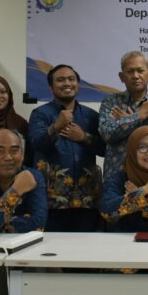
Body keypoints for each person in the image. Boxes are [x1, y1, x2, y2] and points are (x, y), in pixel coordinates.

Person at [28, 64, 106, 232]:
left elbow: (104, 149)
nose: (67, 83)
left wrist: (84, 137)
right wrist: (56, 126)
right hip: (52, 200)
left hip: (86, 199)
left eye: (71, 79)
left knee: (87, 244)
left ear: (78, 84)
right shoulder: (40, 114)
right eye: (60, 80)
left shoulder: (91, 116)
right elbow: (36, 143)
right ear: (51, 87)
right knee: (52, 245)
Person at [98, 51, 148, 176]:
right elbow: (107, 135)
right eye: (130, 71)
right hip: (117, 174)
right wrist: (139, 115)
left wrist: (130, 121)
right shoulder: (110, 102)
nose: (135, 76)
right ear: (121, 76)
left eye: (140, 71)